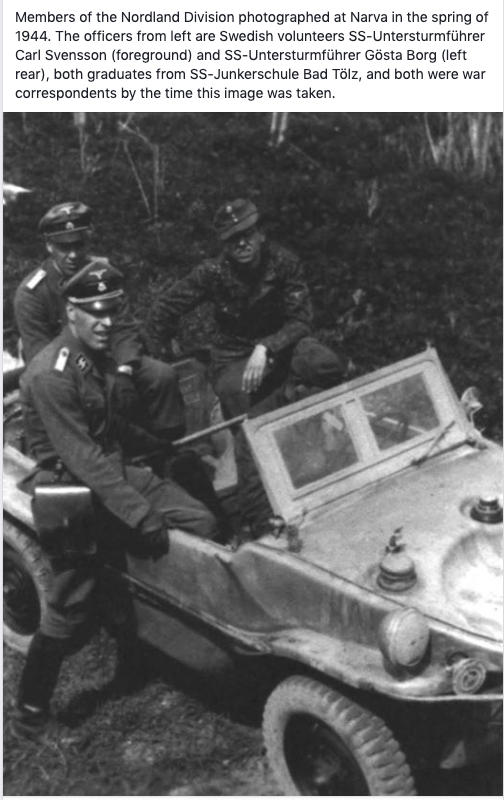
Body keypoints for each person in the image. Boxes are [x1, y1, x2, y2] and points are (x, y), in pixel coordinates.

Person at [12, 260, 218, 740]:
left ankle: (151, 649)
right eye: (93, 312)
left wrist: (157, 446)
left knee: (200, 523)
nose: (105, 322)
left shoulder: (91, 356)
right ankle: (30, 715)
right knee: (70, 605)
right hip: (71, 490)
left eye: (111, 311)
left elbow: (107, 427)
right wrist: (139, 513)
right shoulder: (51, 375)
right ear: (71, 312)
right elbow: (80, 454)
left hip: (111, 471)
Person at [147, 199, 346, 527]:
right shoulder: (212, 272)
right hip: (233, 358)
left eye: (247, 234)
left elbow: (301, 321)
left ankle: (340, 449)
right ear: (224, 245)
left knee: (325, 365)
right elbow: (164, 309)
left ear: (260, 234)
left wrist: (267, 347)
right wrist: (160, 363)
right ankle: (259, 511)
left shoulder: (283, 262)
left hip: (282, 346)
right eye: (232, 239)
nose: (242, 243)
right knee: (251, 412)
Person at [14, 201, 185, 442]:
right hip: (69, 372)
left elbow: (123, 327)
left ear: (88, 240)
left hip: (112, 360)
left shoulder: (102, 273)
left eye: (79, 244)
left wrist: (125, 369)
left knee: (161, 375)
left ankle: (171, 446)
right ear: (49, 245)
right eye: (64, 247)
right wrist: (99, 379)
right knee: (96, 399)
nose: (73, 255)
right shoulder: (32, 294)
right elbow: (40, 356)